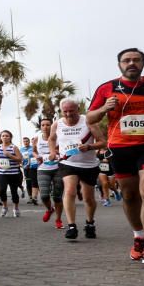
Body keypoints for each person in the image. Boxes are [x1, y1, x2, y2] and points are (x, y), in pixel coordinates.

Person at [87, 47, 144, 267]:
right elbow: (90, 117)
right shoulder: (106, 88)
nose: (132, 63)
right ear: (119, 64)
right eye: (127, 60)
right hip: (121, 146)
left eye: (136, 60)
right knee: (129, 195)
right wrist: (104, 108)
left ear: (142, 63)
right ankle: (138, 237)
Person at [48, 98, 107, 241]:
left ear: (78, 109)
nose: (68, 114)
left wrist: (89, 147)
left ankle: (90, 223)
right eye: (65, 111)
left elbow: (102, 142)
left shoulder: (87, 121)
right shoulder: (58, 124)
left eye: (71, 111)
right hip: (68, 163)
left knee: (88, 198)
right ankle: (72, 226)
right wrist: (52, 152)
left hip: (88, 164)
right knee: (69, 191)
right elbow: (51, 139)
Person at [35, 118, 64, 229]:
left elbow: (63, 149)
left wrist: (56, 152)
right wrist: (36, 156)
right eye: (43, 125)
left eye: (48, 125)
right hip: (43, 169)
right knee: (44, 195)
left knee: (57, 197)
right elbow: (33, 150)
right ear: (40, 127)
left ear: (52, 126)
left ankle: (58, 219)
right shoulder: (37, 138)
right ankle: (49, 209)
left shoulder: (58, 137)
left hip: (58, 168)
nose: (45, 127)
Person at [0, 130, 24, 217]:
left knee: (14, 191)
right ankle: (5, 207)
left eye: (7, 136)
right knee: (2, 190)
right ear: (1, 138)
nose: (5, 137)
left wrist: (10, 156)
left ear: (10, 137)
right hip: (2, 172)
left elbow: (20, 159)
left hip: (13, 173)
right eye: (3, 136)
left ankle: (16, 208)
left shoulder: (14, 147)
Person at [21, 136, 39, 205]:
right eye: (24, 141)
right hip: (25, 168)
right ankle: (30, 197)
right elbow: (21, 158)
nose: (25, 142)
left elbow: (35, 156)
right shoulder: (21, 149)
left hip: (33, 167)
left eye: (27, 141)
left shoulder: (32, 148)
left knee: (34, 181)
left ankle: (35, 197)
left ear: (29, 142)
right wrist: (21, 164)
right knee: (28, 182)